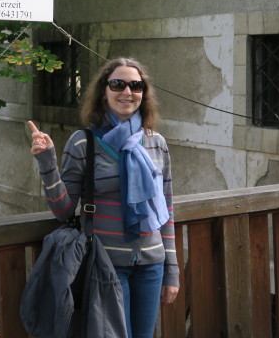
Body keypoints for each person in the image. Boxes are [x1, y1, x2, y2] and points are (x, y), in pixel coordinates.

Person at [29, 57, 179, 338]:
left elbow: (167, 210)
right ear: (103, 91)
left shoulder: (156, 142)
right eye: (117, 84)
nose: (127, 92)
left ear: (144, 93)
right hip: (106, 265)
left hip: (151, 263)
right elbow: (63, 210)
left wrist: (172, 271)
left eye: (136, 85)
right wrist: (47, 163)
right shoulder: (83, 142)